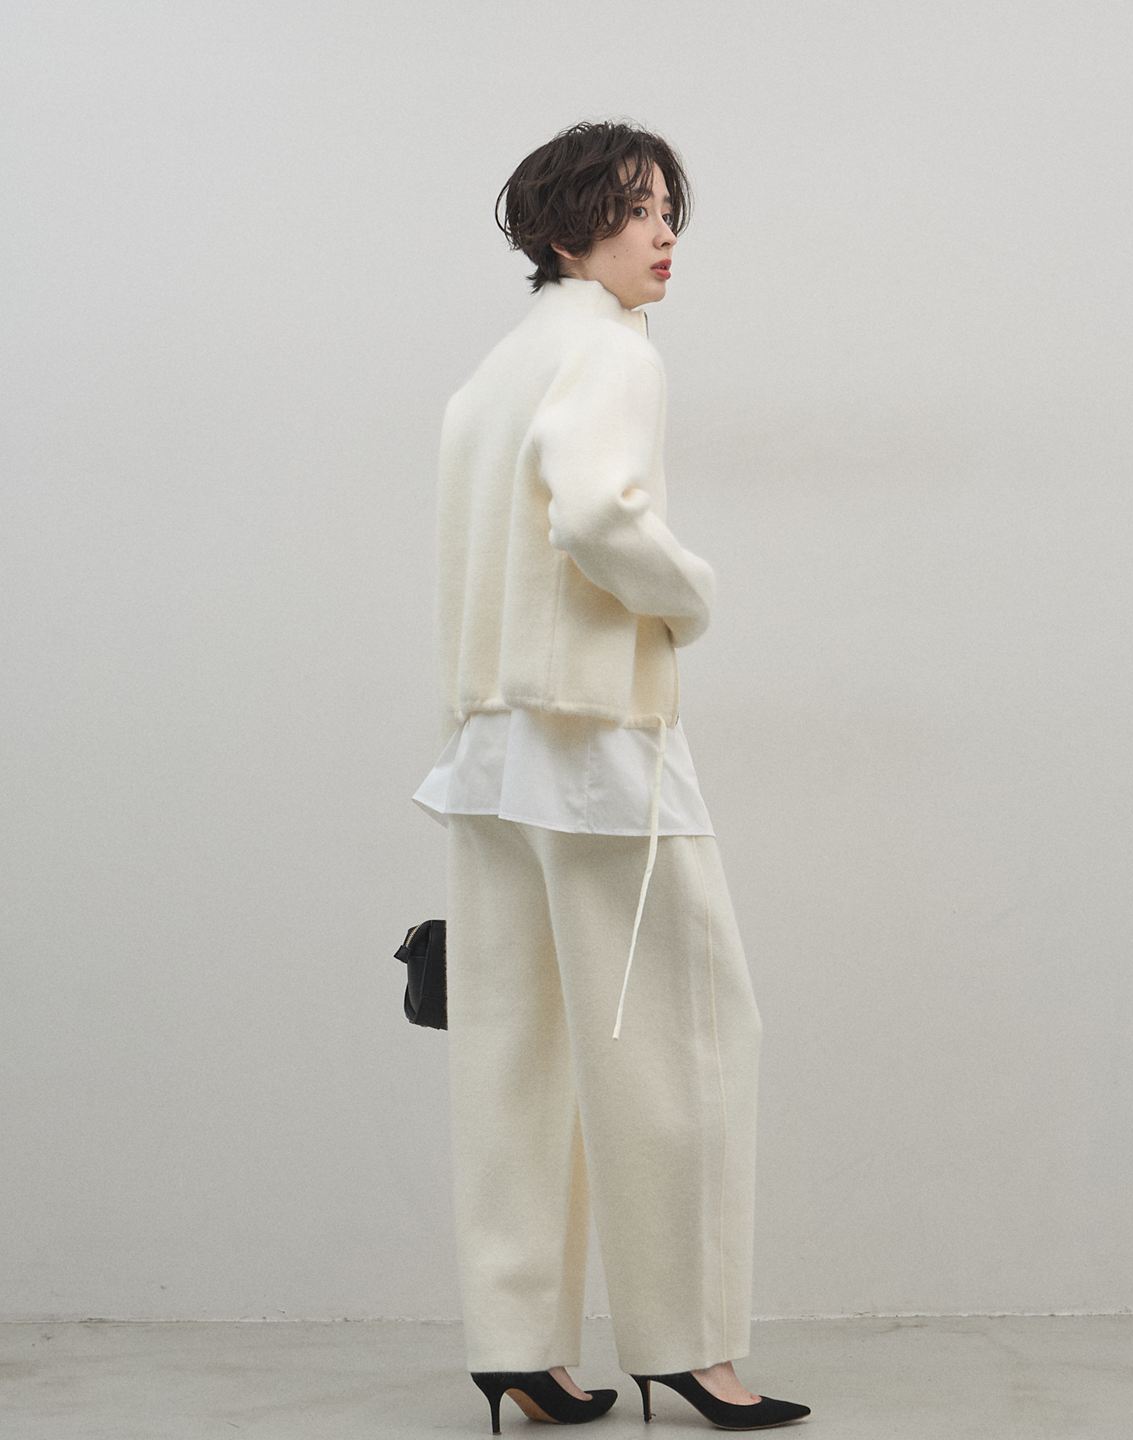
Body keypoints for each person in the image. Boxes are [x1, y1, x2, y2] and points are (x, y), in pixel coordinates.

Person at [411, 118, 811, 1433]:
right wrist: (690, 595)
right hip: (593, 744)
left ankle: (518, 1345)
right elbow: (594, 514)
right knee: (685, 1040)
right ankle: (689, 1348)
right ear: (569, 225)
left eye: (667, 209)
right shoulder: (615, 350)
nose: (663, 233)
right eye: (636, 208)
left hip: (487, 751)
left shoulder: (495, 370)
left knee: (512, 1051)